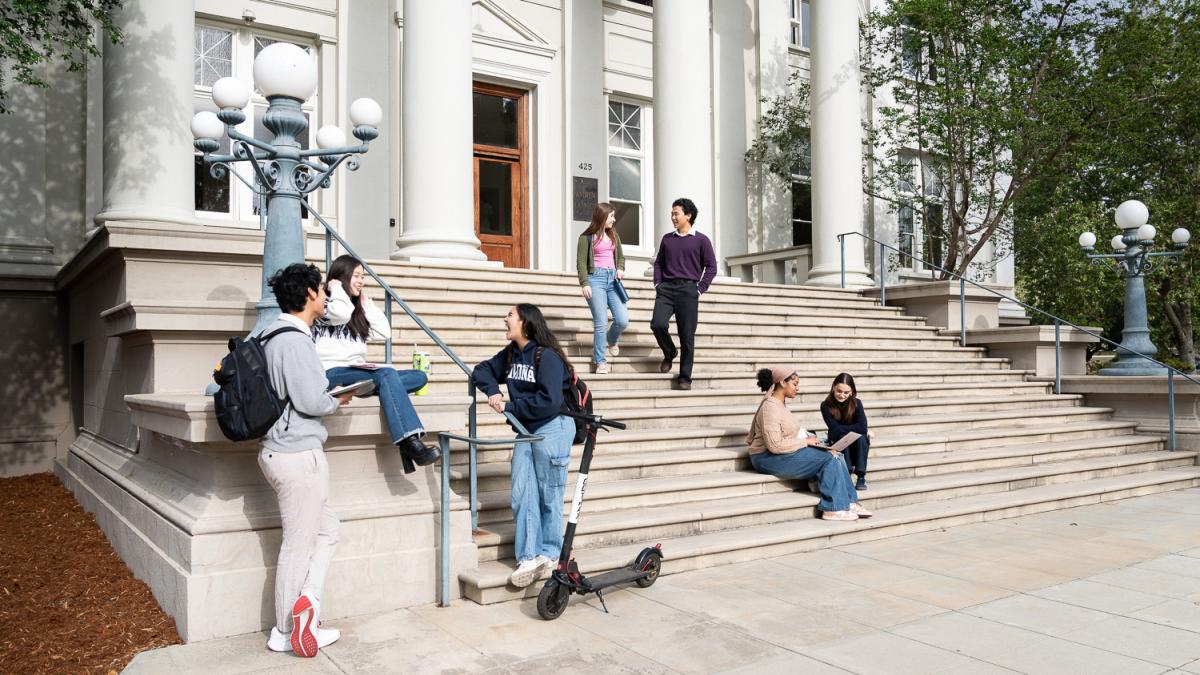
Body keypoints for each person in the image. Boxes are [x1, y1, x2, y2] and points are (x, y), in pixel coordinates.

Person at [259, 263, 354, 657]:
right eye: (321, 289)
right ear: (309, 294)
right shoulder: (294, 341)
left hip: (282, 451)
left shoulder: (271, 333)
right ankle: (284, 630)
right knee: (298, 545)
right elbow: (311, 401)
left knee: (328, 529)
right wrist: (339, 398)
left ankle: (306, 606)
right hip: (297, 454)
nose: (326, 296)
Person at [472, 303, 576, 588]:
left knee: (548, 494)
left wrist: (511, 406)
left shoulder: (548, 357)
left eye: (510, 315)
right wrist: (493, 390)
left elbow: (550, 401)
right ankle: (528, 556)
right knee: (521, 493)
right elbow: (481, 371)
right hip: (527, 430)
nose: (505, 318)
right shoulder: (511, 355)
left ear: (525, 324)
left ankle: (550, 552)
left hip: (553, 427)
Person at [313, 254, 439, 473]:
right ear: (341, 277)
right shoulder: (326, 306)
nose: (361, 281)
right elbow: (341, 313)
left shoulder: (356, 313)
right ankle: (410, 443)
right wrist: (336, 289)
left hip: (357, 375)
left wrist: (366, 304)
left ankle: (386, 394)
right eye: (356, 276)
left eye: (363, 277)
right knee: (387, 376)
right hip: (330, 374)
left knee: (419, 377)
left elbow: (385, 332)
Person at [747, 366, 871, 521]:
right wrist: (805, 442)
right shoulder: (770, 407)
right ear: (782, 383)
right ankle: (832, 508)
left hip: (781, 453)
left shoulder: (780, 405)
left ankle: (850, 502)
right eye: (795, 384)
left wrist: (810, 440)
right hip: (765, 458)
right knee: (829, 459)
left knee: (835, 454)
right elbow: (775, 445)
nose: (797, 388)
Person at [650, 197, 717, 390]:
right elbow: (659, 264)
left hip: (689, 290)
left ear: (688, 215)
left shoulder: (701, 240)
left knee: (687, 336)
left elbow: (711, 267)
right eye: (671, 213)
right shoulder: (667, 239)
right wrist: (657, 284)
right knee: (657, 324)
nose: (672, 217)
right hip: (667, 290)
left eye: (676, 213)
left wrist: (700, 288)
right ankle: (670, 352)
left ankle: (685, 377)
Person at [576, 202, 629, 375]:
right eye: (611, 216)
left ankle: (611, 339)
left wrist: (620, 268)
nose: (614, 219)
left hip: (613, 280)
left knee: (622, 320)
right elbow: (581, 263)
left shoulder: (614, 235)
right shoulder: (586, 238)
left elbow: (621, 257)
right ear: (603, 216)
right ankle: (600, 361)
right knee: (601, 322)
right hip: (595, 279)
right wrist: (584, 283)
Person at [821, 373, 871, 490]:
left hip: (855, 440)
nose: (842, 395)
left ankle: (861, 476)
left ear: (852, 392)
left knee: (862, 437)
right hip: (837, 439)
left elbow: (863, 428)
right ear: (833, 387)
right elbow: (834, 428)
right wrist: (853, 428)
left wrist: (846, 430)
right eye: (839, 391)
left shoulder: (857, 403)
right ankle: (846, 473)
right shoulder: (825, 405)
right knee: (844, 435)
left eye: (846, 392)